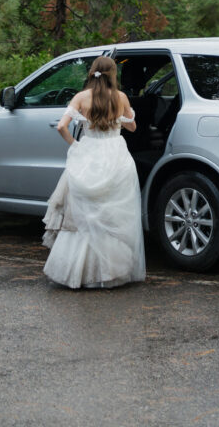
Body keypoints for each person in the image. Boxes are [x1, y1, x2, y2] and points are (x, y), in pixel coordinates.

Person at [42, 55, 146, 289]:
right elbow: (132, 126)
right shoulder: (120, 97)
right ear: (113, 75)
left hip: (89, 153)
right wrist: (120, 117)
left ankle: (77, 273)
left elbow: (61, 126)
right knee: (111, 214)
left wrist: (76, 146)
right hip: (116, 155)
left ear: (92, 73)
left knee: (83, 213)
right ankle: (112, 271)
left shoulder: (81, 97)